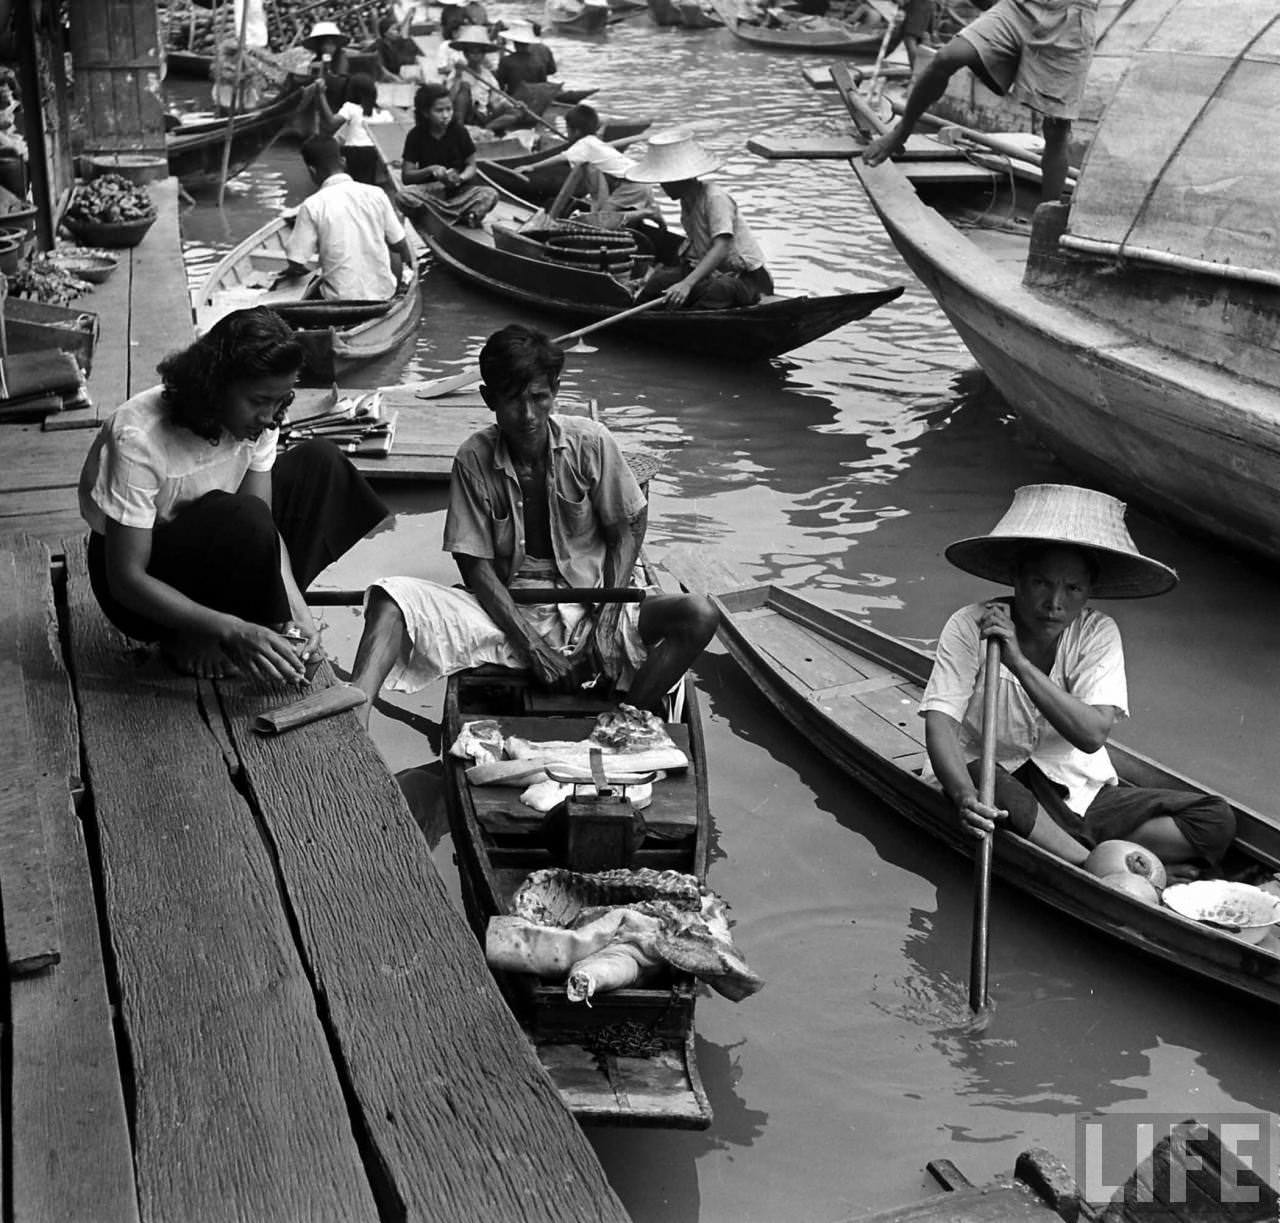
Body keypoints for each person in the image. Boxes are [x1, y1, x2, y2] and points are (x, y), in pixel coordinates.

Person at [349, 324, 719, 725]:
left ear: (554, 392)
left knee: (699, 613)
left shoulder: (591, 442)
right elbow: (475, 567)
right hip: (511, 613)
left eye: (538, 398)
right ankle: (354, 725)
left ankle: (627, 722)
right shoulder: (473, 458)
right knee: (390, 599)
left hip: (596, 598)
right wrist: (532, 647)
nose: (527, 415)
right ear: (488, 398)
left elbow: (625, 531)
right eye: (512, 401)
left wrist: (608, 622)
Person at [920, 483, 1235, 876]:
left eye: (1073, 588)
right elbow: (940, 725)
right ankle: (1093, 866)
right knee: (990, 786)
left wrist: (1017, 661)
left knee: (1215, 820)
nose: (1055, 602)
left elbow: (1092, 735)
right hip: (992, 779)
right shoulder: (970, 625)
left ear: (1090, 591)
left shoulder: (1097, 633)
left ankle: (1079, 849)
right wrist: (967, 799)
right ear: (1016, 577)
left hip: (1075, 789)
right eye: (1041, 583)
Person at [77, 307, 390, 681]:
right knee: (243, 517)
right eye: (258, 401)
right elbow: (126, 580)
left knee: (321, 463)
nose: (270, 416)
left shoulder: (264, 417)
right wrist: (229, 630)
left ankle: (268, 623)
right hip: (139, 584)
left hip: (217, 539)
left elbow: (267, 533)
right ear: (214, 386)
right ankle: (191, 633)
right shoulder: (139, 437)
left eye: (280, 401)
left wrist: (299, 612)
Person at [862, 0, 1095, 202]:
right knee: (947, 57)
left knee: (1056, 128)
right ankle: (901, 132)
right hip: (1018, 7)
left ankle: (1046, 227)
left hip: (1070, 18)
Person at [625, 131, 772, 310]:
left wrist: (687, 284)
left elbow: (722, 246)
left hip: (744, 278)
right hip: (709, 272)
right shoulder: (687, 200)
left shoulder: (714, 197)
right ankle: (638, 317)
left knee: (717, 291)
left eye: (666, 181)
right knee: (659, 281)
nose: (663, 186)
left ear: (681, 178)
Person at [279, 136, 416, 300]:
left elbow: (295, 260)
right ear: (343, 162)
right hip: (383, 294)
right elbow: (400, 243)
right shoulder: (376, 194)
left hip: (339, 301)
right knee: (390, 245)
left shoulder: (312, 205)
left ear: (312, 171)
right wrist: (409, 272)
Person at [516, 104, 660, 225]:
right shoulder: (594, 141)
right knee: (614, 215)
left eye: (568, 129)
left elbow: (561, 157)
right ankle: (654, 216)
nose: (567, 133)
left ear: (576, 131)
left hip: (630, 184)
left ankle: (649, 212)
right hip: (639, 179)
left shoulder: (584, 145)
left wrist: (532, 167)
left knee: (601, 221)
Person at [393, 83, 500, 227]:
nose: (445, 115)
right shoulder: (415, 135)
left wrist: (460, 178)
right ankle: (462, 216)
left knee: (490, 194)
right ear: (425, 112)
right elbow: (407, 176)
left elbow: (471, 166)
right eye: (439, 110)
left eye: (449, 109)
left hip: (459, 192)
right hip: (430, 193)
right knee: (403, 196)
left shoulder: (459, 131)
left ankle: (439, 216)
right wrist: (430, 170)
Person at [310, 73, 393, 185]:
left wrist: (321, 95)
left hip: (353, 153)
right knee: (368, 185)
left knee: (353, 184)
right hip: (375, 153)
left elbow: (331, 122)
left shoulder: (350, 107)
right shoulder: (385, 114)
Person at [447, 24, 518, 131]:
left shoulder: (487, 75)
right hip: (464, 117)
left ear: (484, 54)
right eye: (472, 52)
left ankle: (485, 130)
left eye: (479, 52)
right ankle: (460, 131)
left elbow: (496, 101)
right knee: (464, 88)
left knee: (516, 113)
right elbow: (449, 100)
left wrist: (513, 105)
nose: (476, 55)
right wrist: (458, 76)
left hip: (483, 116)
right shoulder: (458, 72)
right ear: (466, 54)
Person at [302, 20, 351, 112]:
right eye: (323, 44)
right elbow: (310, 80)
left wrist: (324, 75)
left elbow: (339, 83)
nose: (326, 47)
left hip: (338, 102)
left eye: (330, 43)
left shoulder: (341, 57)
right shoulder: (315, 60)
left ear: (336, 44)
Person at [882, 0, 936, 76]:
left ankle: (917, 74)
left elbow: (901, 2)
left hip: (916, 24)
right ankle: (919, 74)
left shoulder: (929, 4)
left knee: (915, 49)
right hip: (916, 25)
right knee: (917, 50)